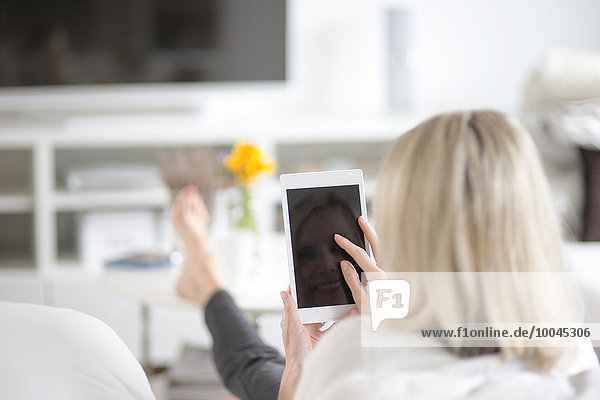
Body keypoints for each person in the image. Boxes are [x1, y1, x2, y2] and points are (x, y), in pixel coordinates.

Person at [172, 110, 600, 400]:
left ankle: (208, 281)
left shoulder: (355, 361)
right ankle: (208, 283)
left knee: (259, 367)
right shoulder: (573, 352)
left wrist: (303, 377)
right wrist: (398, 316)